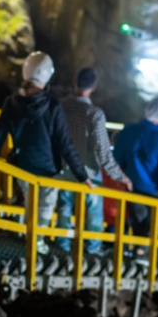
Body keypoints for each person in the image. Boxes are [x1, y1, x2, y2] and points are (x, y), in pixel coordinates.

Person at [0, 52, 91, 255]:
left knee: (30, 202)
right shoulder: (53, 106)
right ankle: (37, 242)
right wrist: (82, 175)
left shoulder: (11, 102)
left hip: (22, 165)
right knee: (44, 207)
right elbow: (65, 143)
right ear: (48, 76)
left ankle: (30, 237)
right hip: (47, 169)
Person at [54, 68, 132, 254]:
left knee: (64, 207)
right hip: (89, 174)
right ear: (94, 87)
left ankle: (62, 245)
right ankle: (92, 248)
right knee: (93, 212)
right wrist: (122, 177)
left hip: (63, 169)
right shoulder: (94, 114)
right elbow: (104, 153)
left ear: (74, 80)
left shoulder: (60, 107)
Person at [113, 95, 158, 242]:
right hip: (156, 193)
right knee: (157, 222)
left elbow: (117, 160)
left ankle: (137, 255)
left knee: (139, 226)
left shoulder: (128, 131)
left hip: (132, 187)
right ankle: (142, 253)